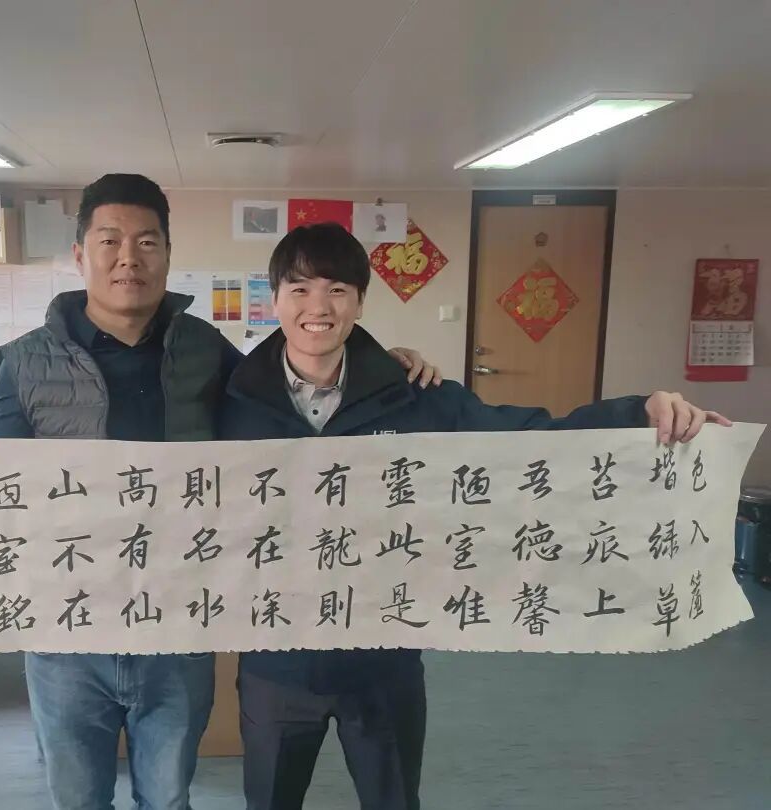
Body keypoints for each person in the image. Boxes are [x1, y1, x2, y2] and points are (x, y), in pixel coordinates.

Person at [0, 175, 441, 810]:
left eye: (147, 242)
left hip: (177, 629)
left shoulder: (205, 349)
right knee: (78, 801)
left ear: (168, 255)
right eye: (110, 240)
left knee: (168, 798)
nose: (129, 257)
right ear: (80, 254)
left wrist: (382, 366)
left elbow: (285, 399)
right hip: (69, 637)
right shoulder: (27, 361)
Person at [219, 222, 731, 810]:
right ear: (275, 298)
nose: (318, 307)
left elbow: (532, 438)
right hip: (277, 665)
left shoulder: (414, 395)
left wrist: (638, 415)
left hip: (382, 657)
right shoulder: (228, 399)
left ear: (360, 302)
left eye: (337, 290)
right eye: (300, 289)